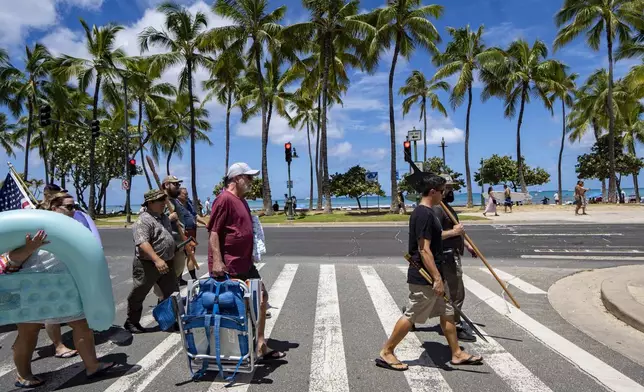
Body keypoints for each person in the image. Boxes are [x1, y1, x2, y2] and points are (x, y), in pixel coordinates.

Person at [3, 192, 115, 388]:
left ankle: (92, 366)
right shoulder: (32, 227)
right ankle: (23, 375)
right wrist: (31, 247)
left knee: (81, 326)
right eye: (69, 207)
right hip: (32, 286)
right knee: (28, 333)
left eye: (75, 207)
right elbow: (12, 259)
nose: (74, 211)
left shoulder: (74, 229)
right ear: (54, 208)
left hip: (63, 286)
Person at [377, 174, 483, 371]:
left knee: (447, 313)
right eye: (442, 191)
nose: (445, 194)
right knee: (412, 315)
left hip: (436, 272)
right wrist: (436, 279)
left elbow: (435, 238)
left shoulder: (429, 212)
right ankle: (387, 351)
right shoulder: (424, 214)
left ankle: (457, 353)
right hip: (424, 276)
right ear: (433, 192)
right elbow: (424, 249)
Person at [207, 162, 285, 360]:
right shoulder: (223, 199)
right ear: (236, 178)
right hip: (229, 266)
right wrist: (217, 261)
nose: (251, 181)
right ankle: (233, 350)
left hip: (245, 264)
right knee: (234, 308)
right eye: (248, 177)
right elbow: (214, 231)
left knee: (261, 298)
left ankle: (260, 345)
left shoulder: (241, 200)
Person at [124, 189, 181, 333]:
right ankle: (132, 322)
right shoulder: (144, 220)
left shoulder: (163, 218)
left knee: (171, 293)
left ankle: (168, 321)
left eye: (164, 200)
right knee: (139, 293)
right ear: (150, 203)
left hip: (167, 262)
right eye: (160, 200)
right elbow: (142, 243)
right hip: (148, 264)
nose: (164, 203)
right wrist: (156, 259)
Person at [431, 175, 478, 342]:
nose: (451, 191)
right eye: (448, 188)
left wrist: (466, 244)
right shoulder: (437, 209)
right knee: (456, 293)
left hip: (452, 253)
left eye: (451, 188)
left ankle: (411, 315)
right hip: (446, 256)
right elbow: (434, 237)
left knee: (435, 294)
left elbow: (454, 230)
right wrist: (455, 232)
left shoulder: (447, 208)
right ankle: (455, 325)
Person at [177, 187, 208, 281]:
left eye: (187, 194)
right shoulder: (176, 205)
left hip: (192, 232)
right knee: (188, 255)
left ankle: (181, 278)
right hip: (183, 232)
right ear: (178, 195)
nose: (186, 196)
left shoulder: (189, 203)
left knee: (189, 254)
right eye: (184, 194)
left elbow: (195, 215)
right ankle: (192, 278)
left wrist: (205, 223)